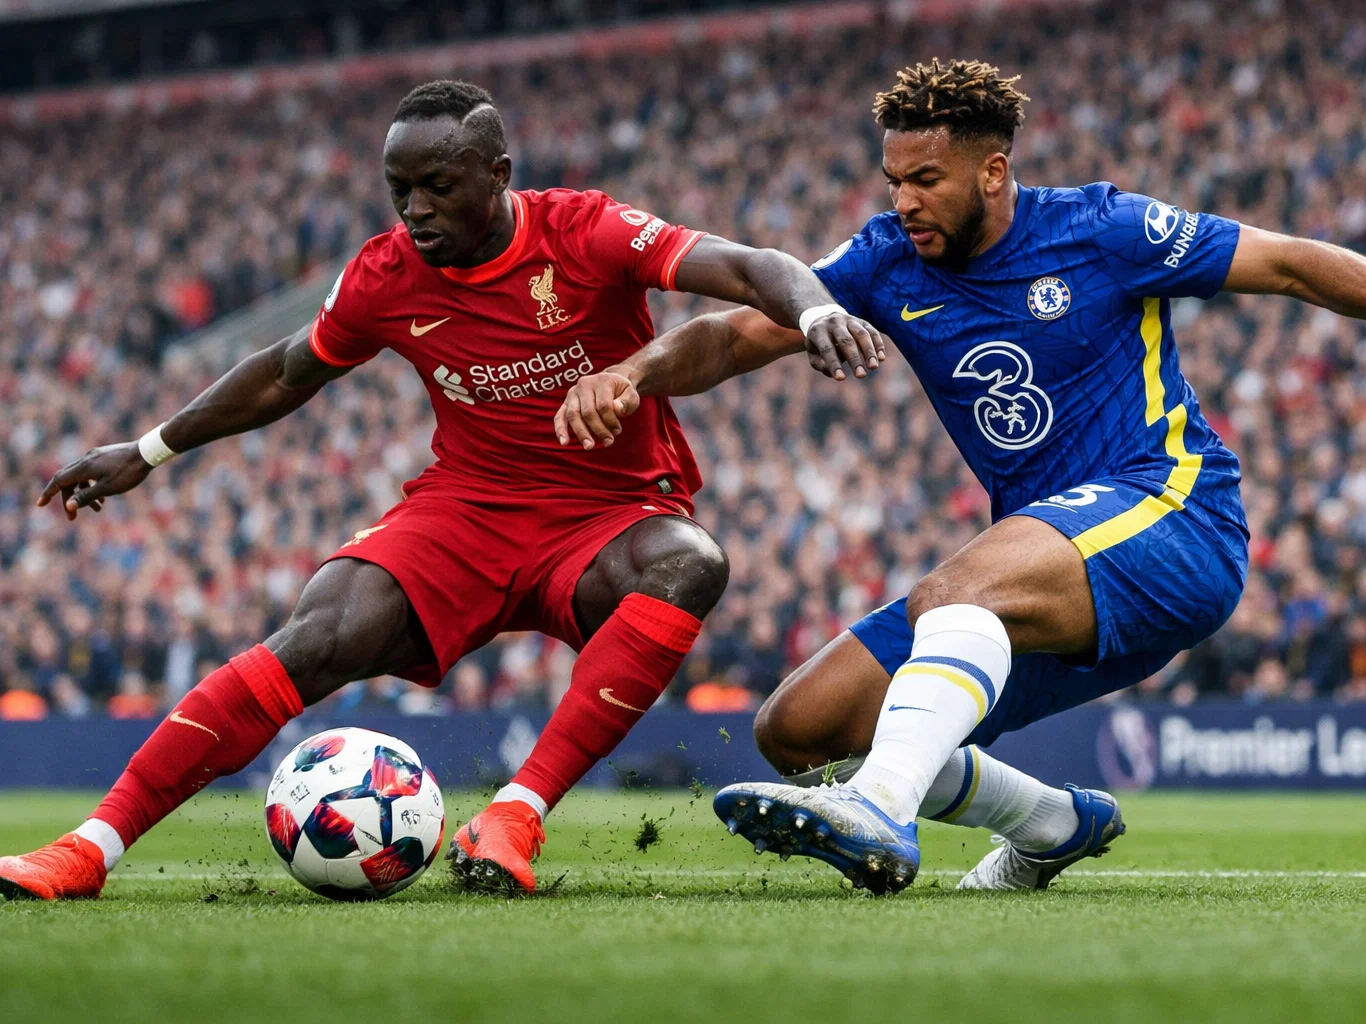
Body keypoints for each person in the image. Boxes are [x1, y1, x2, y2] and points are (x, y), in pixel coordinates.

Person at [551, 58, 1366, 894]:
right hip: (1051, 567)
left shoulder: (1100, 230)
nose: (903, 200)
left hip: (1175, 518)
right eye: (893, 177)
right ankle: (1051, 823)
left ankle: (880, 811)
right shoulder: (888, 260)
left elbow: (1286, 263)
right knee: (801, 725)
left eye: (926, 178)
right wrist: (633, 372)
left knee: (958, 590)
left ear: (995, 170)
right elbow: (736, 332)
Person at [0, 79, 880, 901]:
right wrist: (149, 449)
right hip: (466, 509)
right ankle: (87, 849)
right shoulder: (386, 275)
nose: (415, 210)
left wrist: (813, 313)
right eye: (399, 190)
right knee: (320, 631)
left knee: (690, 562)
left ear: (497, 176)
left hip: (609, 516)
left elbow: (747, 264)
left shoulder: (584, 231)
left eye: (437, 185)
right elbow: (281, 373)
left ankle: (513, 818)